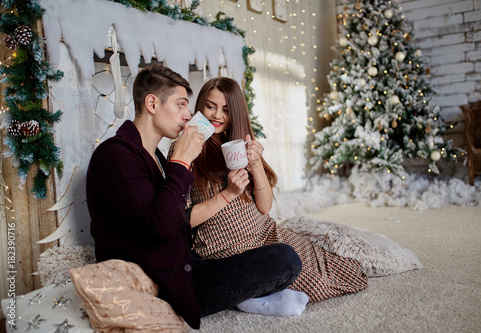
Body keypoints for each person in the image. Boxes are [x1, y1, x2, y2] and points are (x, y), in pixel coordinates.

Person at [86, 65, 302, 330]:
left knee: (284, 255)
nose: (188, 115)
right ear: (152, 103)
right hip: (164, 283)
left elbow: (175, 219)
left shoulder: (155, 158)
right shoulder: (115, 156)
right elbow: (160, 227)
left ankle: (245, 294)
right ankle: (244, 298)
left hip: (185, 264)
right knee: (285, 261)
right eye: (180, 105)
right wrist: (182, 161)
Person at [168, 77, 368, 304]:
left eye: (226, 109)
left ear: (236, 113)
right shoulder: (187, 147)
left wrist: (255, 163)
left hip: (264, 233)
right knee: (310, 282)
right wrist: (229, 194)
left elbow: (264, 207)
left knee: (339, 270)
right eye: (210, 106)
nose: (217, 116)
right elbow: (181, 220)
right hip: (225, 248)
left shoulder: (237, 144)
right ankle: (257, 296)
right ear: (200, 106)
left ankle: (259, 294)